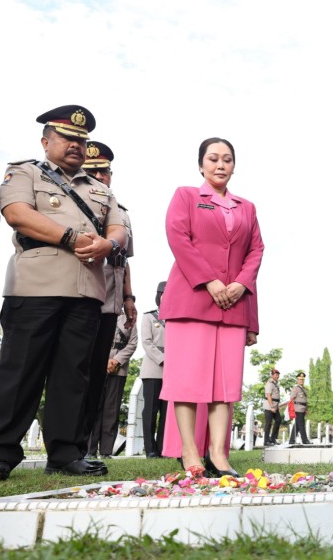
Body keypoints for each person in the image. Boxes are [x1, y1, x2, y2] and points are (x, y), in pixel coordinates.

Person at [0, 105, 127, 481]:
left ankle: (66, 453)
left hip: (86, 292)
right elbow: (16, 213)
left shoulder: (100, 190)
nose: (76, 146)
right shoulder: (24, 172)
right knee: (20, 372)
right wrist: (72, 237)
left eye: (81, 141)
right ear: (45, 141)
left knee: (73, 376)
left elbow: (119, 231)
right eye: (68, 138)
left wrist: (107, 245)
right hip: (35, 287)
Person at [160, 137, 263, 478]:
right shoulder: (187, 196)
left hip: (233, 304)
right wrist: (209, 281)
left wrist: (238, 285)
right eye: (214, 158)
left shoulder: (246, 207)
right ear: (201, 164)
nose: (221, 165)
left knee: (226, 385)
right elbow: (178, 237)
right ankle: (190, 452)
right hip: (192, 299)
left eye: (228, 159)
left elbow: (256, 250)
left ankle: (219, 455)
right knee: (186, 381)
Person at [81, 141, 137, 462]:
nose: (101, 177)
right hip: (83, 293)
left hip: (111, 301)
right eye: (94, 172)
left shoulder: (122, 213)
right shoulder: (79, 204)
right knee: (80, 372)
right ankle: (76, 444)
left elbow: (124, 260)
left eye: (105, 171)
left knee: (99, 380)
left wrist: (129, 298)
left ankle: (90, 450)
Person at [87, 309, 137, 458]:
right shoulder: (99, 313)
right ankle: (89, 450)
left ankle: (106, 451)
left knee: (112, 410)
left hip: (118, 368)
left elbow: (132, 343)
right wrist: (103, 360)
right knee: (94, 407)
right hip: (97, 364)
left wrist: (116, 360)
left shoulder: (129, 318)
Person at [140, 281, 168, 458]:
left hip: (172, 371)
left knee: (166, 412)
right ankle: (150, 449)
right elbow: (146, 342)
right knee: (150, 410)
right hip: (153, 368)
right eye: (164, 293)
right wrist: (163, 359)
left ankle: (163, 447)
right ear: (158, 295)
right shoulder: (149, 317)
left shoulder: (176, 317)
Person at [288, 372, 311, 444]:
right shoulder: (296, 388)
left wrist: (306, 409)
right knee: (301, 424)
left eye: (303, 379)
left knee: (297, 425)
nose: (301, 381)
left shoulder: (304, 389)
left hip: (303, 408)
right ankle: (305, 440)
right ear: (297, 380)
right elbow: (292, 398)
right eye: (300, 379)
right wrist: (292, 409)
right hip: (297, 408)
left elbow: (305, 400)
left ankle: (292, 440)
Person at [263, 369, 282, 446]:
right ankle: (266, 441)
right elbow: (268, 395)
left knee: (278, 420)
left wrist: (276, 406)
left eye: (278, 375)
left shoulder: (275, 383)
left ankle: (273, 439)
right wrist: (272, 406)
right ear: (272, 375)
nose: (277, 376)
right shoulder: (270, 383)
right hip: (269, 406)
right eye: (276, 375)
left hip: (275, 405)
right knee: (268, 423)